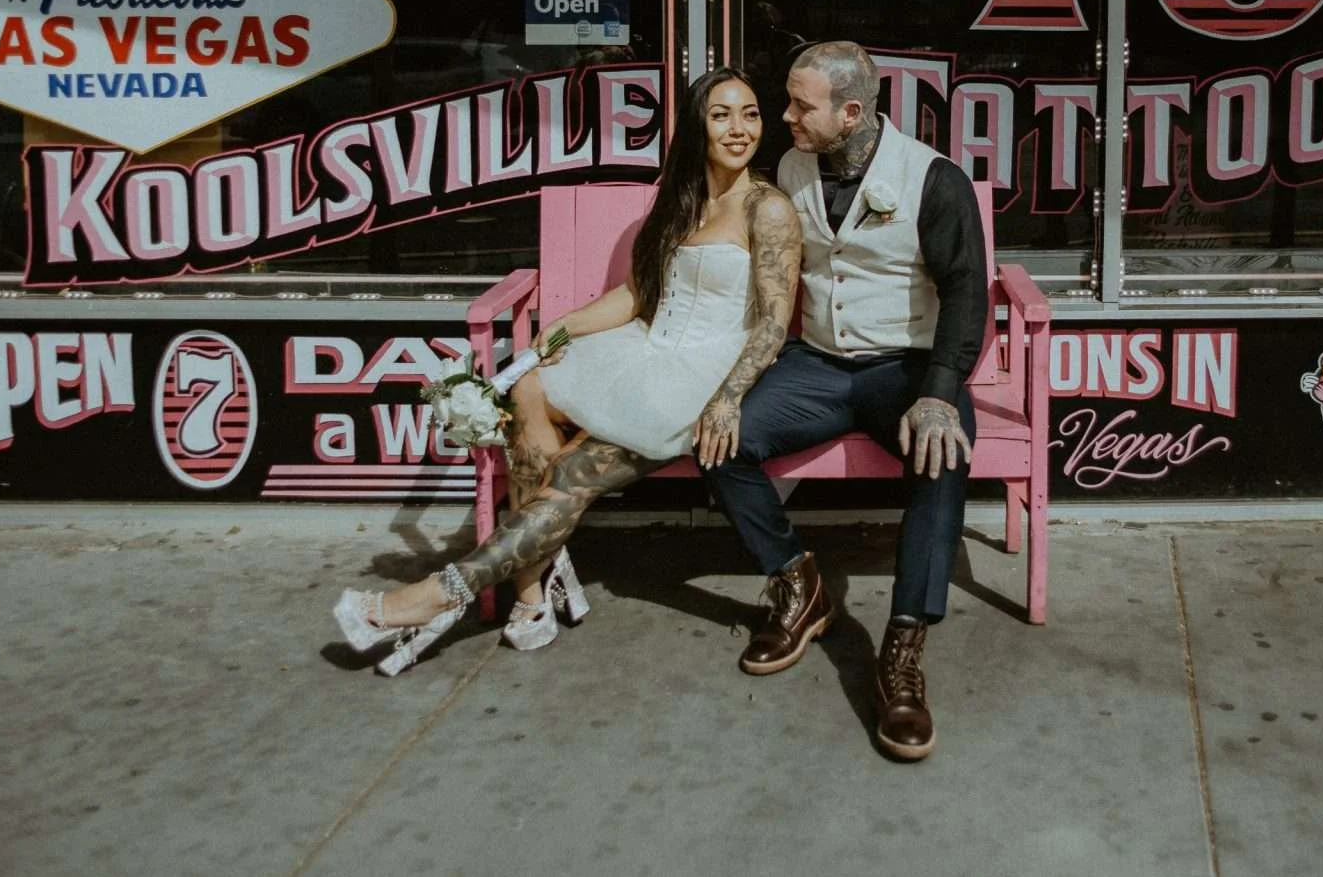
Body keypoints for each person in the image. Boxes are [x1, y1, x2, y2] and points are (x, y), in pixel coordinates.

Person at [334, 69, 802, 675]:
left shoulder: (768, 209)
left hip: (701, 375)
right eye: (721, 115)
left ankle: (437, 595)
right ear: (696, 124)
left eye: (750, 114)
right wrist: (558, 331)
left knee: (574, 471)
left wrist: (728, 399)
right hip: (645, 347)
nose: (740, 129)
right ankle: (532, 593)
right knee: (528, 386)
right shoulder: (681, 198)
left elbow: (772, 323)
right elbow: (636, 297)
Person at [699, 41, 987, 762]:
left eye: (801, 104)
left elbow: (966, 293)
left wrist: (939, 396)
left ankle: (903, 649)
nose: (785, 116)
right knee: (716, 439)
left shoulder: (934, 179)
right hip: (819, 363)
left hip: (906, 366)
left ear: (851, 112)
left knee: (942, 458)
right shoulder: (793, 166)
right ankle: (799, 583)